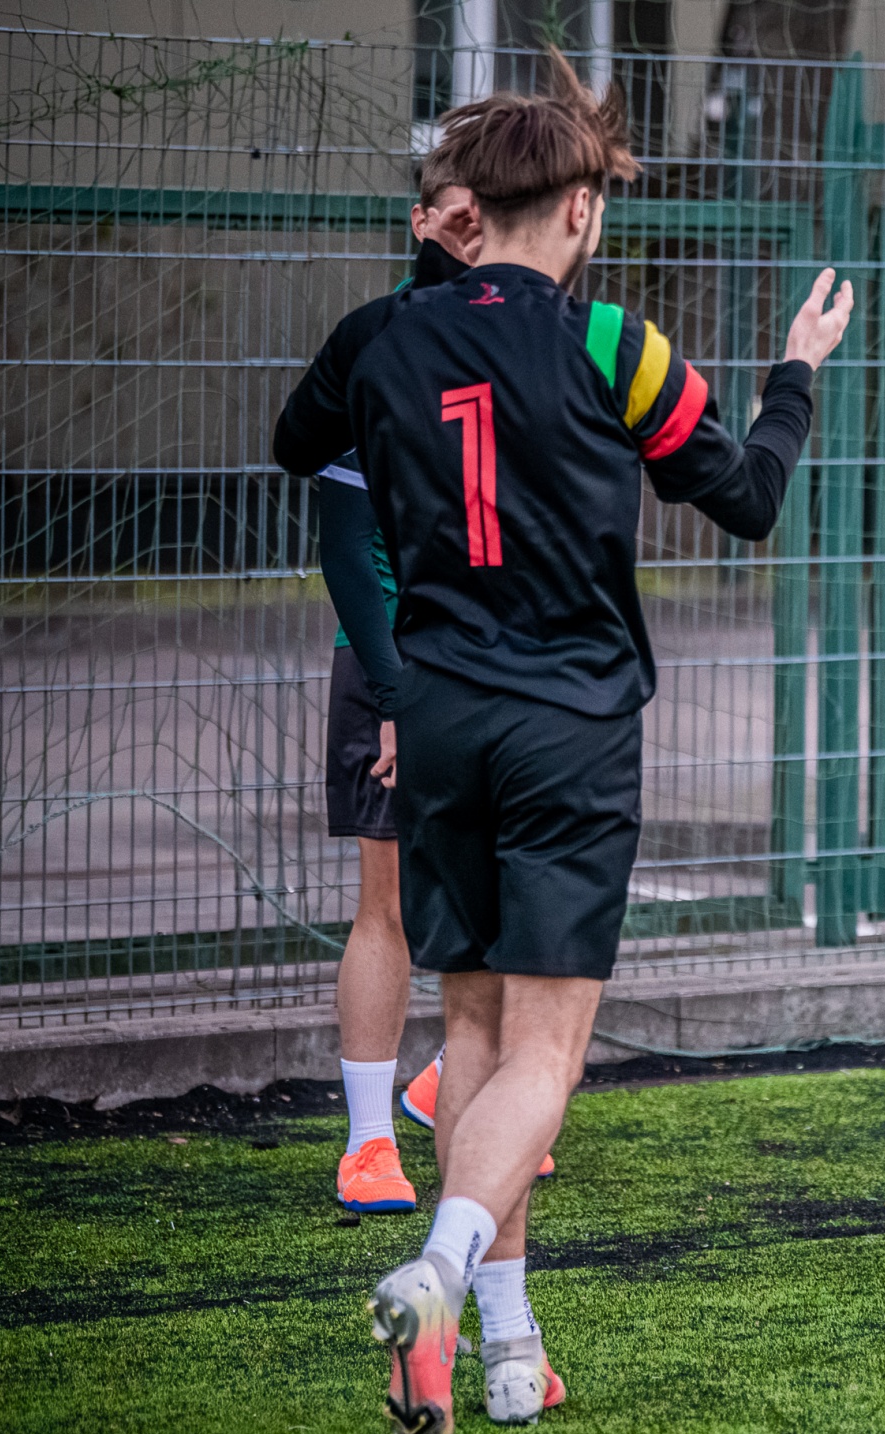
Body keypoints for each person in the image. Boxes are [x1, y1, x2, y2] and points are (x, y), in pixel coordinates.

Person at [273, 56, 852, 1434]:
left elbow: (301, 445)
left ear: (463, 208)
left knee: (472, 1030)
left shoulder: (378, 336)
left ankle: (510, 1354)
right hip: (570, 726)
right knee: (547, 1054)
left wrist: (431, 311)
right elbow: (749, 498)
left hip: (437, 719)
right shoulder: (616, 346)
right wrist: (794, 373)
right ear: (583, 210)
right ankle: (439, 1274)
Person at [316, 157, 563, 1215]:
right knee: (390, 905)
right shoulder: (381, 346)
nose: (473, 229)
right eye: (454, 212)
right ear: (423, 221)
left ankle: (455, 1087)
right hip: (396, 659)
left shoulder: (531, 341)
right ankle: (370, 1143)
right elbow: (344, 543)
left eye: (487, 212)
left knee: (511, 899)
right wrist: (395, 696)